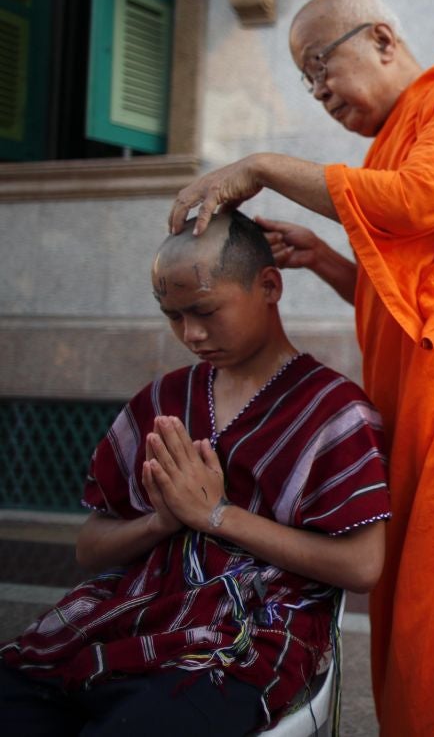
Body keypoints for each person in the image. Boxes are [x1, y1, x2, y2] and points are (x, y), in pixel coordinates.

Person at [167, 0, 434, 735]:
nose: (319, 92)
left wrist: (263, 166)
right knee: (423, 594)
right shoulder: (384, 152)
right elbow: (406, 299)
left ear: (381, 39)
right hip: (421, 390)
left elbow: (417, 200)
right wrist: (324, 258)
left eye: (321, 66)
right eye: (306, 81)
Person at [0, 210, 390, 735]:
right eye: (173, 316)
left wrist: (216, 515)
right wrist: (161, 522)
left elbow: (362, 566)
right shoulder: (162, 399)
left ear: (269, 286)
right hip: (127, 616)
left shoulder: (334, 411)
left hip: (244, 641)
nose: (192, 333)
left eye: (205, 310)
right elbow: (90, 549)